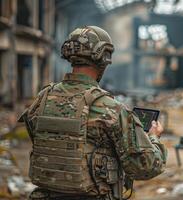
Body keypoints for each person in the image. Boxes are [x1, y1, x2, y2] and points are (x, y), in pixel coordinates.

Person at [18, 26, 167, 200]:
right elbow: (146, 167)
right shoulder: (112, 109)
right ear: (104, 58)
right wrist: (154, 138)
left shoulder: (42, 99)